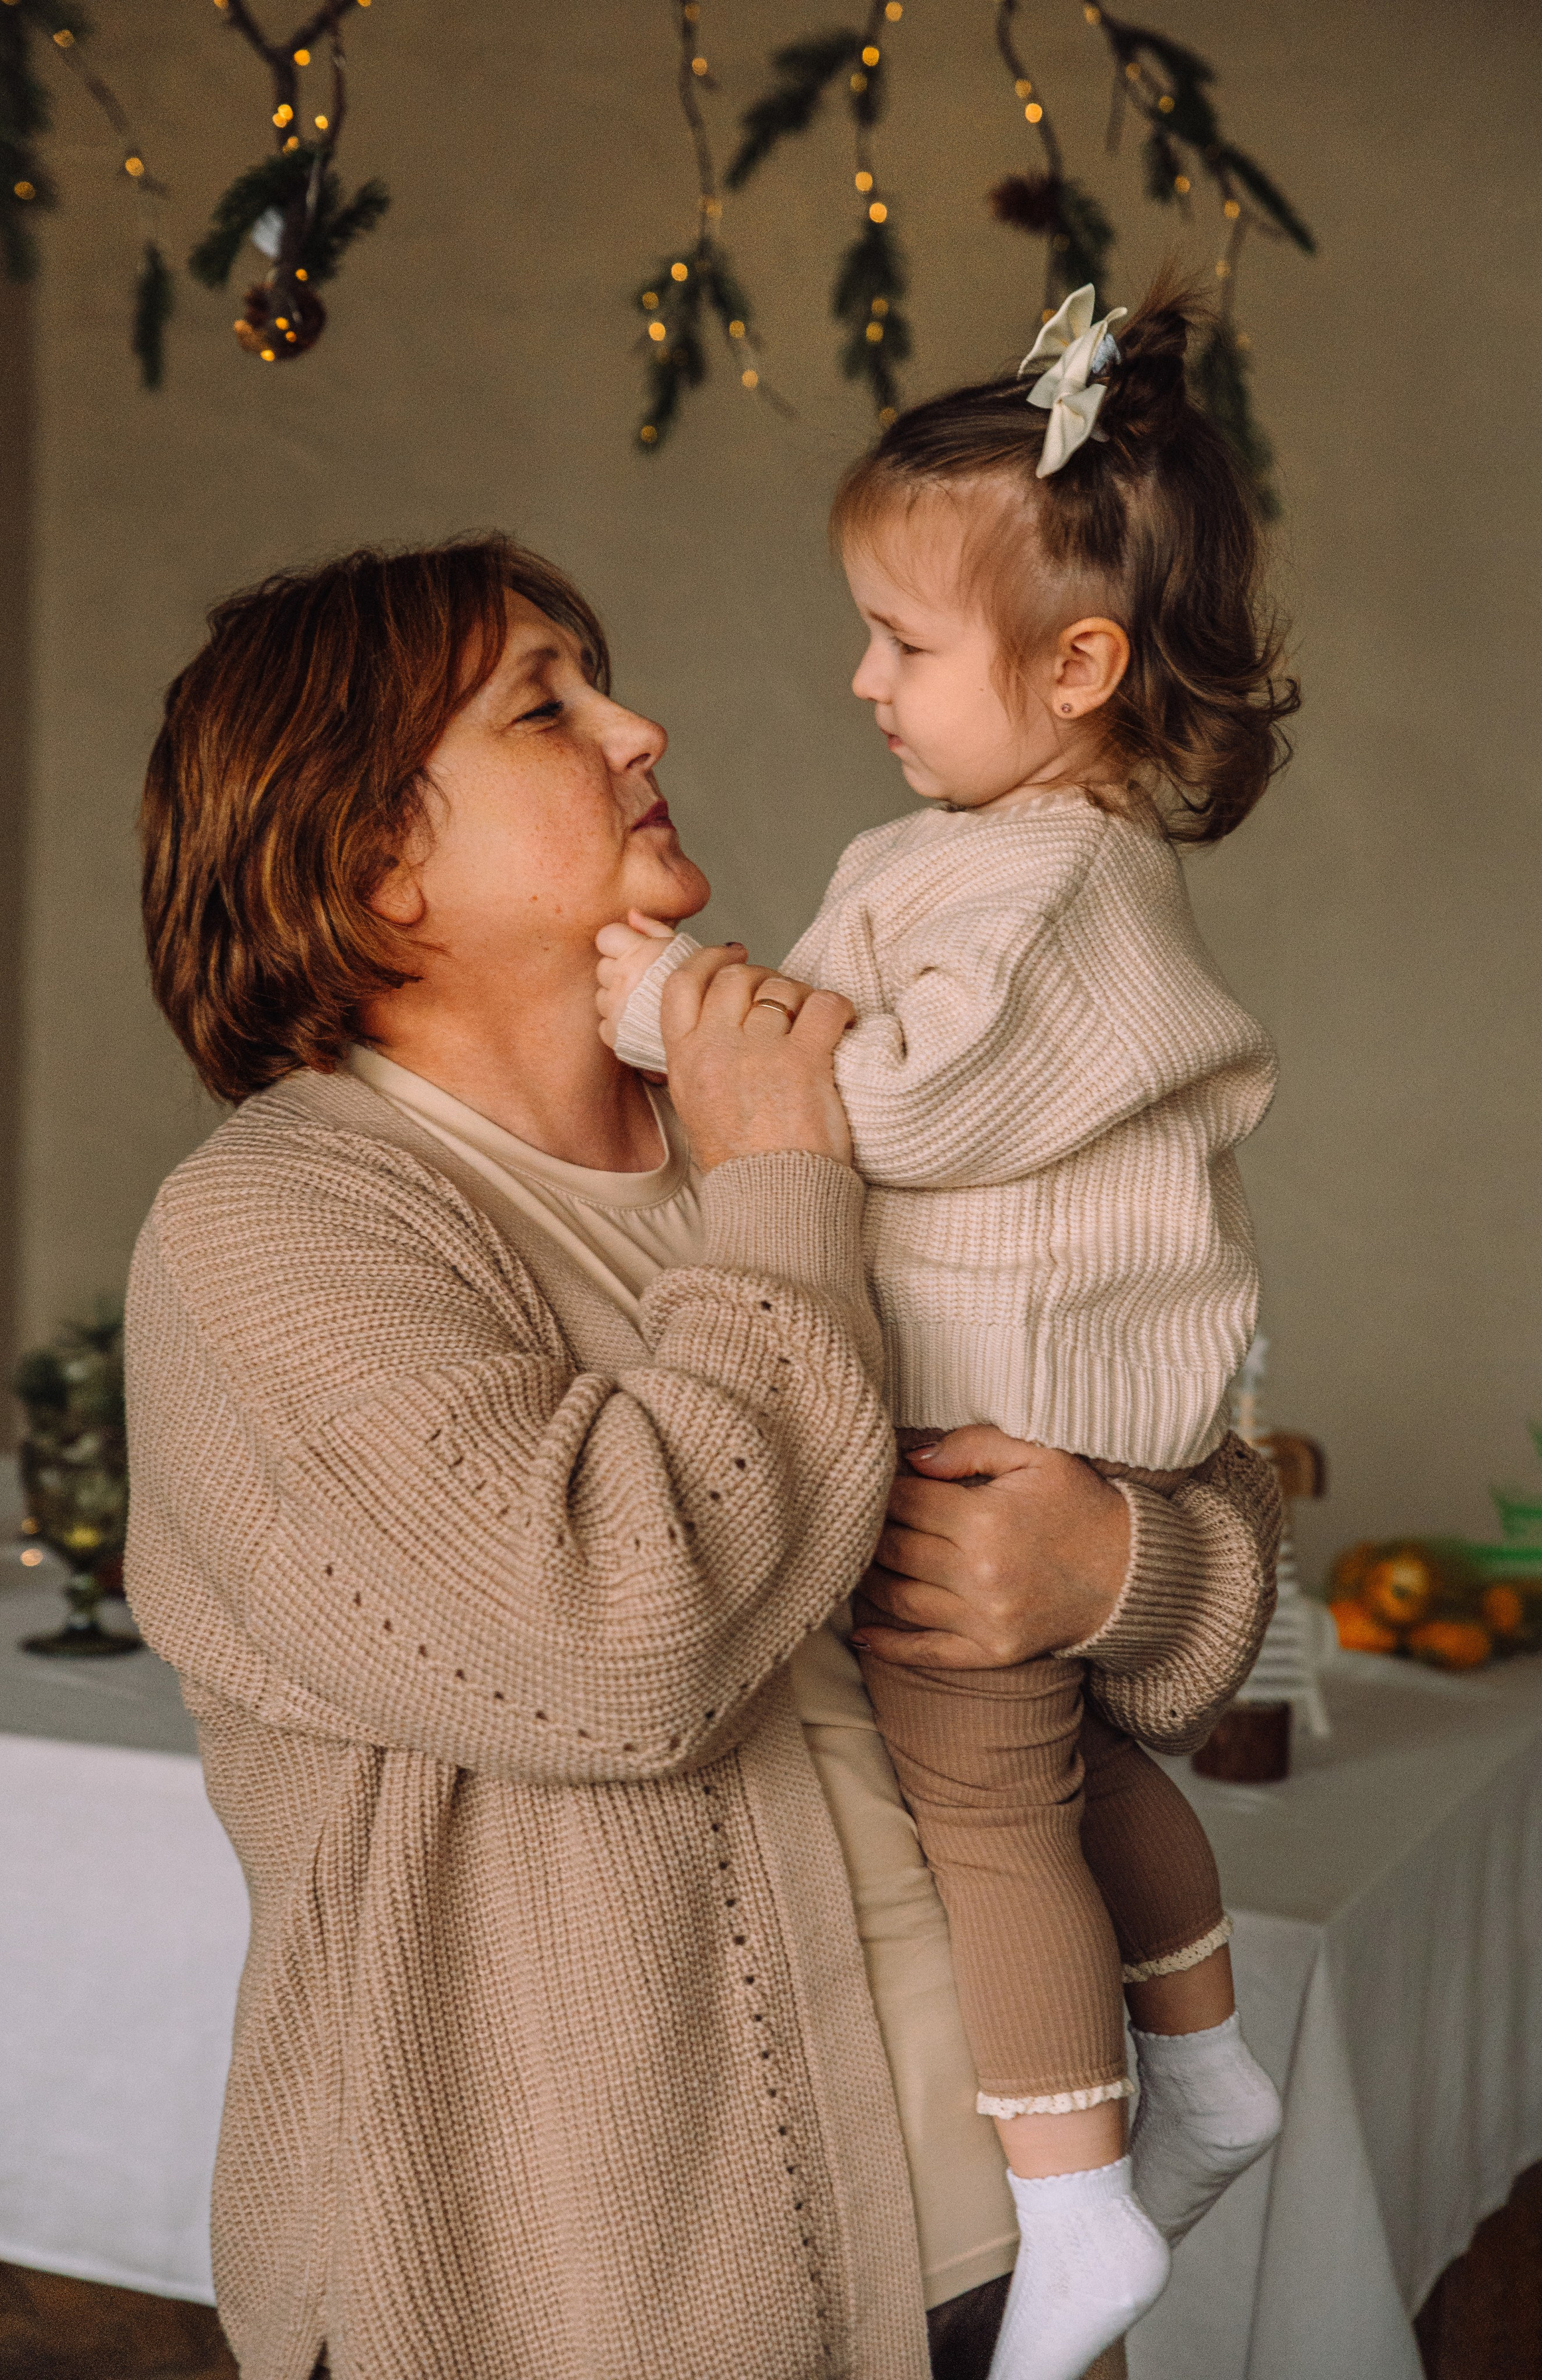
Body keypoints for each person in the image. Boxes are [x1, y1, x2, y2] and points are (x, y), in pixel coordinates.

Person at [125, 533, 1282, 2380]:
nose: (638, 723)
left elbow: (1157, 1411)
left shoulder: (825, 1102)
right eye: (546, 703)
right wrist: (776, 1189)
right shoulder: (278, 1228)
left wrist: (1123, 1564)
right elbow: (617, 1645)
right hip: (586, 2293)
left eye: (604, 674)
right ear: (370, 859)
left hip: (1018, 2240)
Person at [596, 279, 1291, 2380]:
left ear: (1077, 667)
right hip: (1022, 1401)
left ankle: (1075, 2213)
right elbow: (794, 1036)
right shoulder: (954, 853)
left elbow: (870, 1096)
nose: (865, 680)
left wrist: (652, 1004)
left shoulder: (1067, 883)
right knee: (1081, 1764)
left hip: (1006, 1421)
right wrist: (701, 1007)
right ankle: (1206, 2066)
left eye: (906, 644)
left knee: (989, 1801)